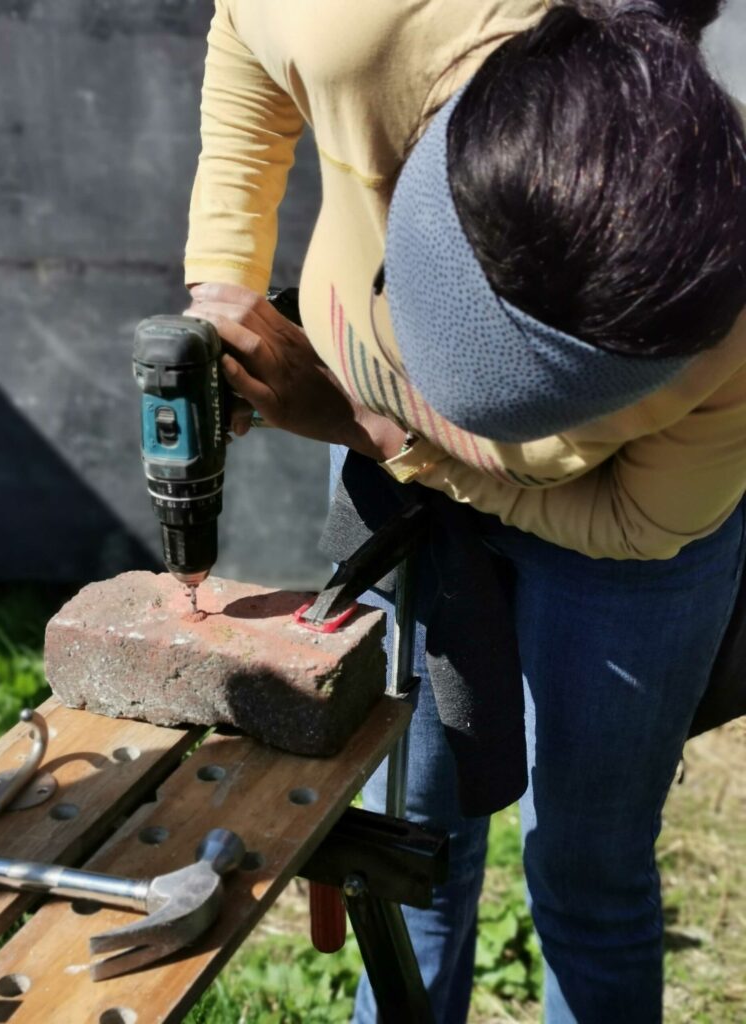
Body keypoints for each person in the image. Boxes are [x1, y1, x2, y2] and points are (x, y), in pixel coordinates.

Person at [183, 1, 746, 1020]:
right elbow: (242, 32)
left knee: (589, 870)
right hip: (394, 480)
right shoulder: (354, 20)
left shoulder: (731, 323)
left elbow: (637, 525)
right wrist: (222, 272)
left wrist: (385, 434)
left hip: (602, 540)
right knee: (414, 844)